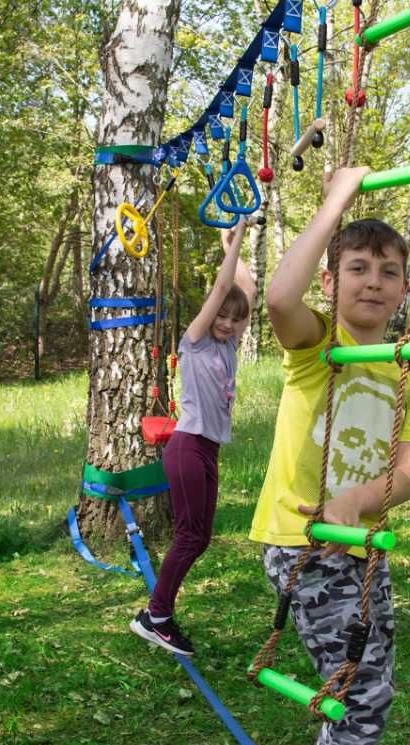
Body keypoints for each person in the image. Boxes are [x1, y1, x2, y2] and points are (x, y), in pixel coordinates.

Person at [249, 167, 410, 745]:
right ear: (330, 283)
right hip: (304, 543)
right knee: (359, 693)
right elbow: (277, 295)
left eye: (388, 271)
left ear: (402, 289)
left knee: (365, 688)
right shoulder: (317, 348)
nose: (372, 280)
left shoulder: (408, 367)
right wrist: (336, 199)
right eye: (355, 267)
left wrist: (359, 499)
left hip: (358, 546)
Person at [131, 219, 256, 656]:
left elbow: (246, 295)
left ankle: (157, 614)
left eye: (233, 320)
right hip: (186, 445)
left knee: (199, 537)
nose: (227, 322)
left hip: (208, 450)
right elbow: (223, 290)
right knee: (189, 535)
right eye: (221, 314)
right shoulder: (197, 341)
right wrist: (236, 239)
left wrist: (231, 246)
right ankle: (156, 616)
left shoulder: (227, 346)